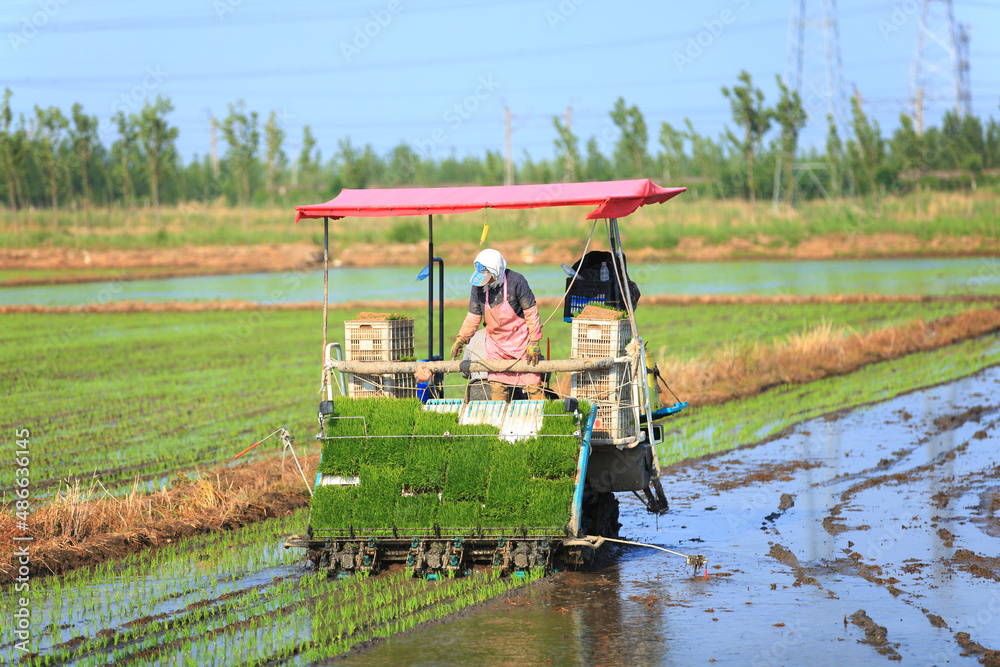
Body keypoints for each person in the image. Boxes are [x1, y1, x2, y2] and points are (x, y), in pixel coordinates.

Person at [450, 249, 544, 401]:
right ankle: (498, 422)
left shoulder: (516, 281)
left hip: (521, 344)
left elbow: (531, 312)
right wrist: (461, 339)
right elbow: (473, 316)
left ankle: (542, 419)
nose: (484, 281)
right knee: (497, 389)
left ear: (496, 271)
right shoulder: (478, 287)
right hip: (496, 347)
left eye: (488, 277)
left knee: (534, 387)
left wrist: (534, 342)